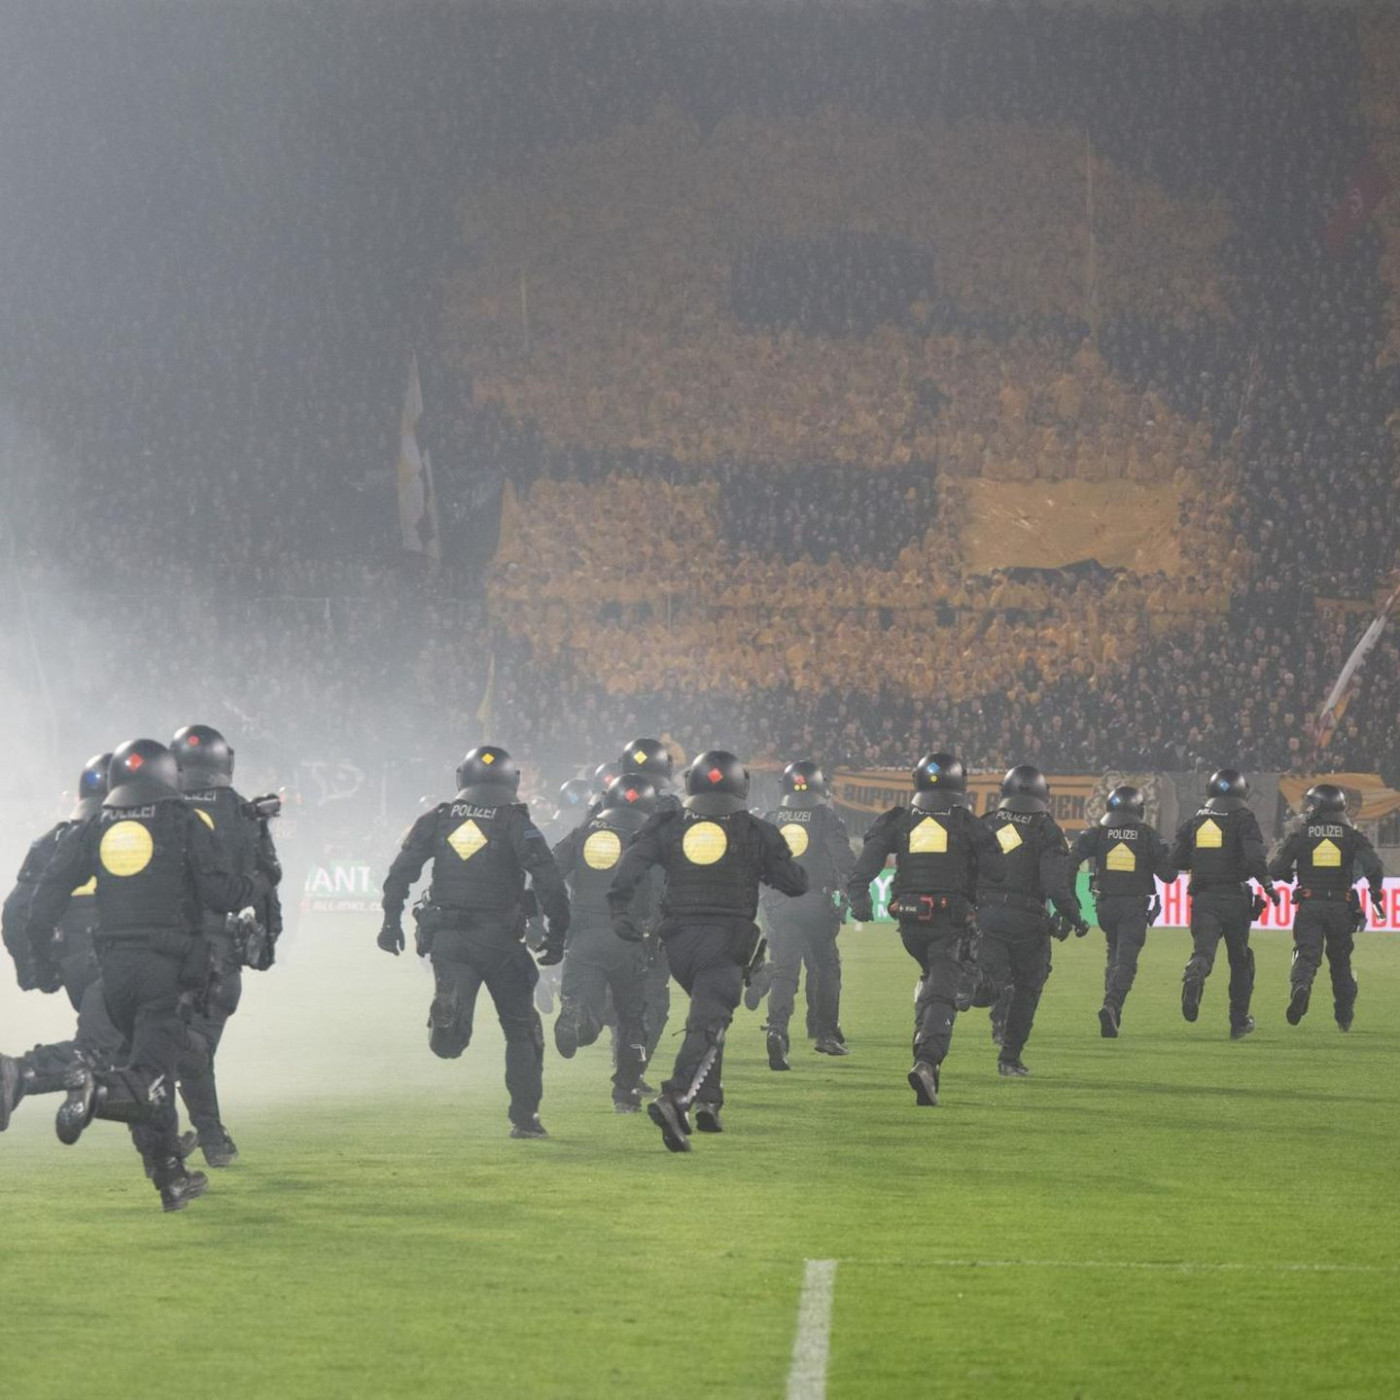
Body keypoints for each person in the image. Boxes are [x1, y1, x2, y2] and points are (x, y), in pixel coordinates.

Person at [19, 739, 257, 1211]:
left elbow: (31, 906)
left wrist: (39, 964)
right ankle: (29, 1076)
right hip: (157, 968)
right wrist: (257, 883)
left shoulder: (83, 830)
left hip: (106, 967)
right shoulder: (180, 822)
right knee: (142, 1066)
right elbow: (219, 892)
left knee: (143, 1061)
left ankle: (169, 1173)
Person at [608, 750, 807, 1151]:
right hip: (725, 942)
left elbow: (630, 865)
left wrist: (619, 909)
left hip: (678, 943)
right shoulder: (755, 831)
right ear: (742, 785)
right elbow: (796, 882)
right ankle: (677, 1097)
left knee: (707, 1017)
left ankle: (709, 1101)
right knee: (708, 1025)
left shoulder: (667, 824)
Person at [378, 744, 569, 1139]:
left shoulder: (439, 818)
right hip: (500, 941)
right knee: (522, 1030)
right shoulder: (515, 822)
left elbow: (400, 872)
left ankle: (447, 1017)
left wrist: (390, 922)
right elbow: (548, 879)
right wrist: (557, 932)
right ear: (512, 780)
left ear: (461, 778)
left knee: (449, 1046)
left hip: (447, 941)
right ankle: (525, 1119)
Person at [847, 752, 1005, 1105]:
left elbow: (868, 860)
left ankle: (926, 1050)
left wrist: (859, 898)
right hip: (950, 923)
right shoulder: (966, 823)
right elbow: (998, 871)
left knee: (935, 982)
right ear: (960, 783)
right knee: (944, 993)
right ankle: (927, 1062)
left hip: (910, 924)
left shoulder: (900, 819)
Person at [168, 724, 283, 1168]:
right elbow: (266, 879)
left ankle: (181, 1137)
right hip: (216, 944)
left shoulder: (158, 808)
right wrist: (268, 940)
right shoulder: (242, 811)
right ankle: (210, 1140)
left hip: (161, 941)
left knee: (173, 1043)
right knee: (197, 1047)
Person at [0, 754, 126, 1132]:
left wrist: (36, 971)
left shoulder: (53, 840)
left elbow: (15, 913)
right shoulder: (134, 838)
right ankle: (19, 1072)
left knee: (127, 1055)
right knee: (104, 1049)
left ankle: (164, 1154)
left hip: (73, 963)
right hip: (119, 958)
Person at [551, 775, 660, 1112]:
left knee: (587, 1006)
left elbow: (553, 867)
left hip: (583, 935)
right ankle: (626, 1094)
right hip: (627, 939)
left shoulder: (587, 828)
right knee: (632, 1021)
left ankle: (579, 1014)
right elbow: (661, 890)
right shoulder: (650, 836)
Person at [976, 765, 1087, 1077]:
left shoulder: (986, 823)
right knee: (1028, 988)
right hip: (1027, 922)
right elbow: (1056, 885)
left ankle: (963, 987)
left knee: (991, 981)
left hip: (985, 916)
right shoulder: (1046, 829)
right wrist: (1074, 917)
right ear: (1043, 794)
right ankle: (1009, 1058)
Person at [758, 760, 855, 1068]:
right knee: (826, 966)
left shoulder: (773, 817)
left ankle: (777, 1029)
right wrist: (854, 888)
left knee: (785, 970)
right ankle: (825, 1034)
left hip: (781, 903)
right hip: (816, 903)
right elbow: (843, 859)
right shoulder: (825, 816)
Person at [1171, 768, 1279, 1039]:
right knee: (1241, 960)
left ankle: (1194, 976)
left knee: (1203, 951)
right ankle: (1238, 1022)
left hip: (1203, 898)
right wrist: (1267, 883)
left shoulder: (1196, 819)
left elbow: (1176, 859)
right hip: (1234, 897)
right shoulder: (1243, 817)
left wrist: (1202, 860)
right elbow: (1254, 856)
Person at [1267, 783, 1384, 1032]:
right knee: (1341, 962)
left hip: (1310, 904)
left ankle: (1301, 986)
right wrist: (1375, 893)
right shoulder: (1351, 835)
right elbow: (1374, 866)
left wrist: (1287, 875)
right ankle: (1344, 1016)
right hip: (1341, 907)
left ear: (1319, 806)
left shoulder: (1302, 834)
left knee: (1306, 955)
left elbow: (1275, 869)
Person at [1071, 784, 1177, 1038]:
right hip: (1133, 906)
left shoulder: (1099, 833)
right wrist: (1169, 853)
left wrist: (1070, 899)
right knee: (1126, 961)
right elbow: (1169, 875)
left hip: (1105, 906)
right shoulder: (1147, 836)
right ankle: (1112, 1004)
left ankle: (1112, 1008)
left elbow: (1070, 860)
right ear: (1139, 809)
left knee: (1114, 953)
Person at [614, 737, 683, 1072]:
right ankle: (631, 1071)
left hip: (610, 911)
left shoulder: (605, 803)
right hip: (657, 914)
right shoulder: (671, 808)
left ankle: (590, 1015)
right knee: (654, 997)